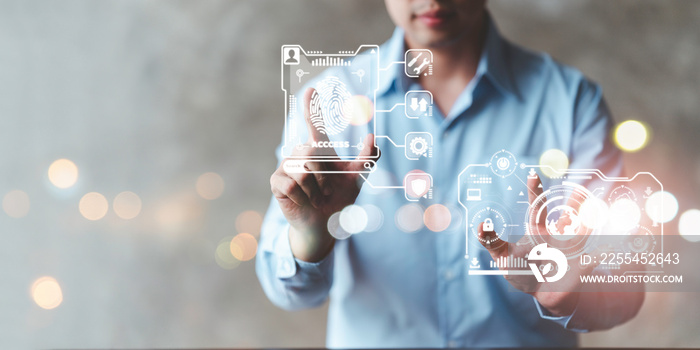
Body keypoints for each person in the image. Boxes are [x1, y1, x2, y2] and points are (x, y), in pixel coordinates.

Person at [258, 0, 644, 348]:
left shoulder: (569, 102)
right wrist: (311, 234)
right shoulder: (328, 102)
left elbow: (625, 290)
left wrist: (570, 293)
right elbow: (291, 293)